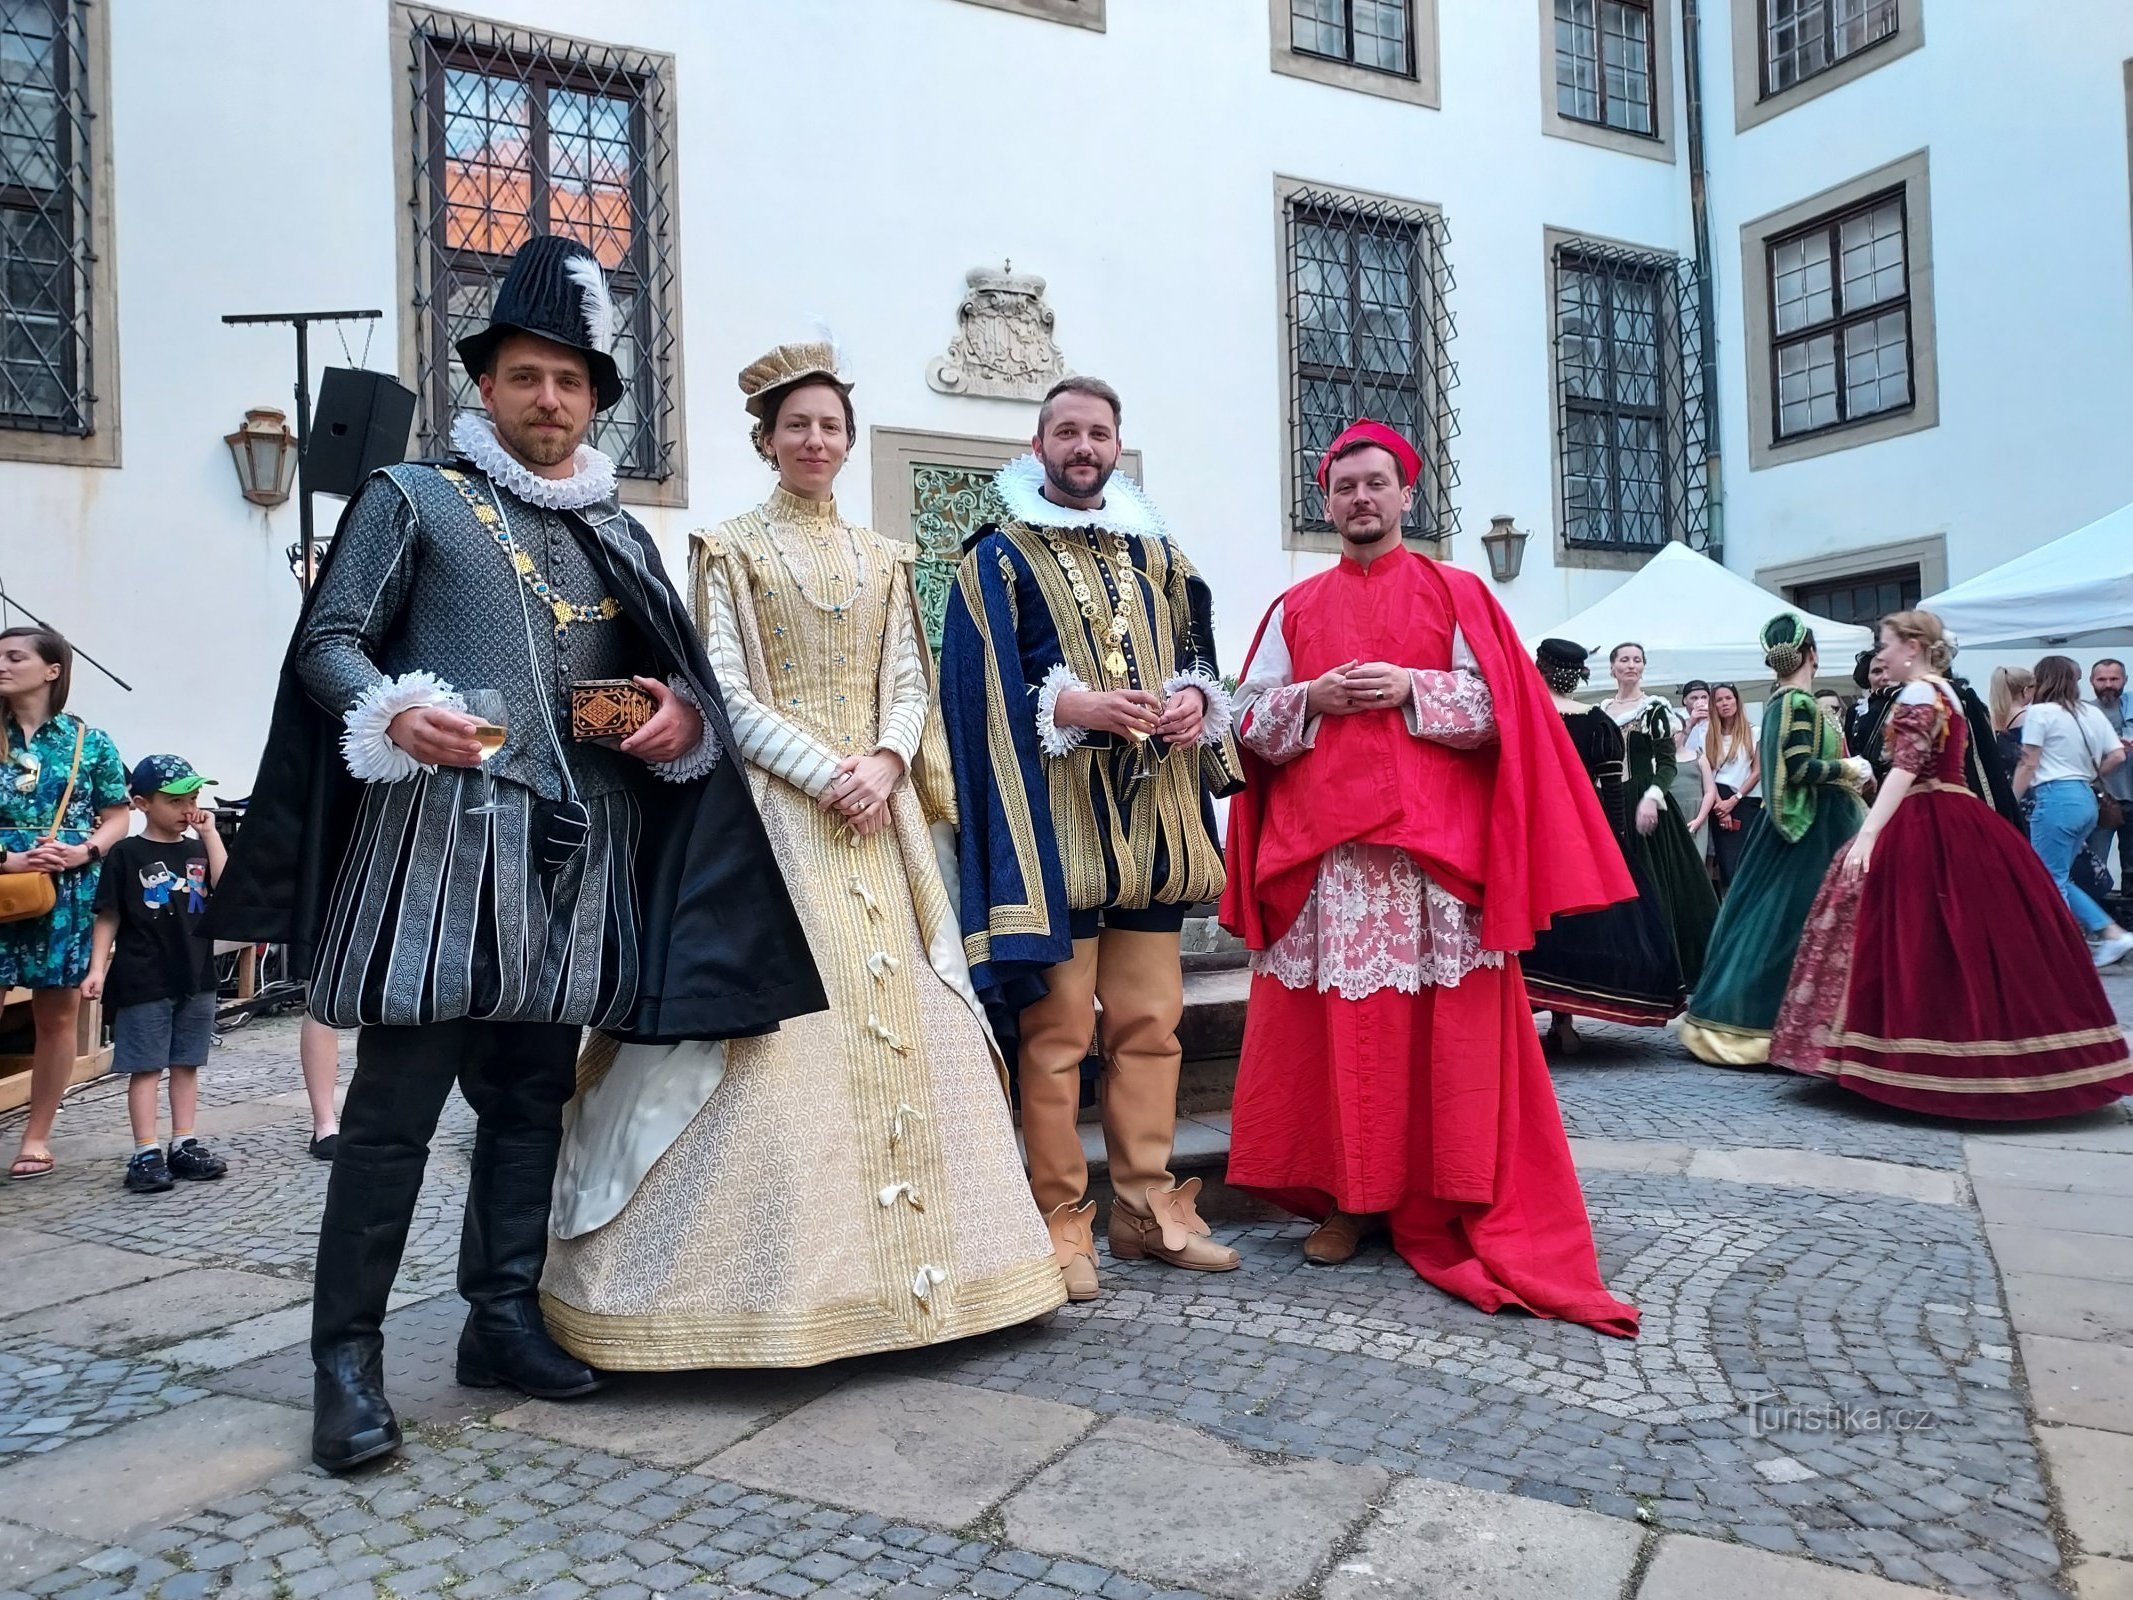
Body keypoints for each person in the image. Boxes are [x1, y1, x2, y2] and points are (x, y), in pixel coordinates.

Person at [209, 237, 823, 1472]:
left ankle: (500, 1319)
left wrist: (680, 722)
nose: (551, 400)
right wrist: (390, 707)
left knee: (529, 1104)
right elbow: (328, 639)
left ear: (597, 401)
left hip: (574, 861)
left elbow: (681, 695)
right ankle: (347, 1362)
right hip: (436, 853)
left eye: (573, 383)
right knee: (389, 1116)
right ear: (485, 386)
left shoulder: (620, 534)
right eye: (530, 377)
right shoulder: (411, 497)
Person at [541, 340, 1064, 1360]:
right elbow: (723, 690)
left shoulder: (884, 557)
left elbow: (910, 678)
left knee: (925, 1015)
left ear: (847, 440)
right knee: (775, 1043)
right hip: (782, 822)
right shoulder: (728, 549)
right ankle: (771, 1293)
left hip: (882, 821)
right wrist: (826, 773)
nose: (815, 440)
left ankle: (946, 1285)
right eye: (797, 425)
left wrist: (882, 758)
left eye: (830, 425)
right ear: (767, 440)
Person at [1221, 419, 1637, 1338]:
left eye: (1376, 484)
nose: (1360, 499)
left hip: (1432, 861)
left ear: (1406, 495)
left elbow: (1508, 712)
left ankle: (1440, 1197)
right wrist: (1310, 699)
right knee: (1345, 1035)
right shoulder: (1293, 609)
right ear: (1324, 501)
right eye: (1344, 487)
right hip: (1329, 860)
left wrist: (1413, 688)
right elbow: (1244, 720)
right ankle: (1350, 1197)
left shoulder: (1457, 594)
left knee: (1434, 1038)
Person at [940, 375, 1243, 1294]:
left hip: (1150, 833)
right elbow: (977, 683)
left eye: (1098, 433)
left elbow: (1199, 658)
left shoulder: (1163, 554)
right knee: (1058, 1034)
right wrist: (1069, 704)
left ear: (1117, 446)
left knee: (1153, 1026)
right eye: (1066, 433)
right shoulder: (996, 558)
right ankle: (1056, 1219)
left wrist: (1195, 701)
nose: (1083, 447)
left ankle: (1146, 1207)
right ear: (1038, 448)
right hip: (1056, 838)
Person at [1772, 612, 2133, 1118]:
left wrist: (1869, 833)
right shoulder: (1945, 690)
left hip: (1927, 815)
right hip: (1954, 811)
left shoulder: (1920, 693)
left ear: (1914, 647)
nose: (1882, 655)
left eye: (1888, 645)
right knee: (1958, 933)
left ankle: (1918, 1056)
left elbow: (1905, 769)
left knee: (1916, 935)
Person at [1680, 617, 1870, 1067]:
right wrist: (1850, 769)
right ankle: (1769, 1025)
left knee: (1773, 920)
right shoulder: (1799, 703)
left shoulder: (1780, 701)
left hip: (1799, 824)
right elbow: (1801, 766)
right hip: (1812, 828)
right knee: (1791, 924)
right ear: (1813, 656)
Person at [0, 626, 130, 1182]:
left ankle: (36, 1136)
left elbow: (119, 813)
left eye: (13, 656)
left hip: (64, 890)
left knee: (56, 1016)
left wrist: (83, 851)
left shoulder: (89, 742)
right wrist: (8, 861)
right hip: (3, 876)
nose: (1, 665)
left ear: (52, 670)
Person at [1522, 640, 1683, 1051]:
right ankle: (1563, 1022)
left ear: (1540, 669)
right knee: (1579, 925)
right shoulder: (1598, 724)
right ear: (1579, 674)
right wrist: (1615, 847)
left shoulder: (1525, 715)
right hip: (1582, 833)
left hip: (1529, 826)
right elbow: (1612, 793)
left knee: (1534, 924)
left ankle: (1520, 1017)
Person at [80, 756, 231, 1193]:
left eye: (193, 797)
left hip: (197, 974)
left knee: (187, 1063)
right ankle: (144, 1150)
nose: (188, 807)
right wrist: (96, 969)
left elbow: (227, 887)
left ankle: (183, 1142)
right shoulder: (126, 853)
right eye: (176, 800)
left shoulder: (199, 847)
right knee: (146, 1067)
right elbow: (107, 915)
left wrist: (210, 834)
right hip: (143, 976)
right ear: (142, 803)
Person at [1599, 643, 1718, 986]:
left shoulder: (1654, 710)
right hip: (1608, 803)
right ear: (1613, 668)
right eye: (1624, 660)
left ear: (1643, 667)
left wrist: (1652, 797)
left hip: (1643, 799)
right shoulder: (1602, 710)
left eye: (1637, 660)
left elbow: (1666, 766)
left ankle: (1662, 971)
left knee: (1654, 886)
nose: (1631, 665)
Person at [2012, 656, 2133, 967]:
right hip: (2085, 798)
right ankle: (2111, 932)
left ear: (2040, 681)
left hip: (2055, 799)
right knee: (2058, 876)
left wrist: (2010, 800)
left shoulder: (2039, 713)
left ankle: (2061, 952)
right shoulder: (2089, 713)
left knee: (2046, 877)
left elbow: (2029, 762)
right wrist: (2090, 776)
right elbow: (2118, 754)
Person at [1700, 684, 1762, 889]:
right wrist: (1721, 808)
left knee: (1748, 858)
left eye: (1728, 698)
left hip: (1745, 799)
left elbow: (1757, 771)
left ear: (1737, 700)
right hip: (1718, 798)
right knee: (1727, 862)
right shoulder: (1707, 735)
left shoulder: (1754, 732)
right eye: (1719, 700)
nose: (1724, 703)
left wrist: (1735, 799)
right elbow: (1707, 773)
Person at [2087, 658, 2133, 889]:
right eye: (2102, 679)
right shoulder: (2085, 712)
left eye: (2114, 679)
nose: (2108, 684)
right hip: (2100, 799)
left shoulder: (2131, 706)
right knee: (2095, 866)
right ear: (2091, 681)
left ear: (2125, 680)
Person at [1672, 680, 1716, 859]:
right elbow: (1677, 745)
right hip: (1689, 794)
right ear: (1684, 701)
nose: (1700, 701)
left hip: (1714, 790)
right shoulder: (1679, 722)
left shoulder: (1716, 720)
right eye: (1694, 697)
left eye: (1704, 697)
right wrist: (1690, 722)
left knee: (1711, 851)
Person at [1990, 666, 2036, 831]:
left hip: (2001, 789)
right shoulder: (2028, 717)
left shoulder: (1990, 718)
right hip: (2026, 789)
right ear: (2025, 690)